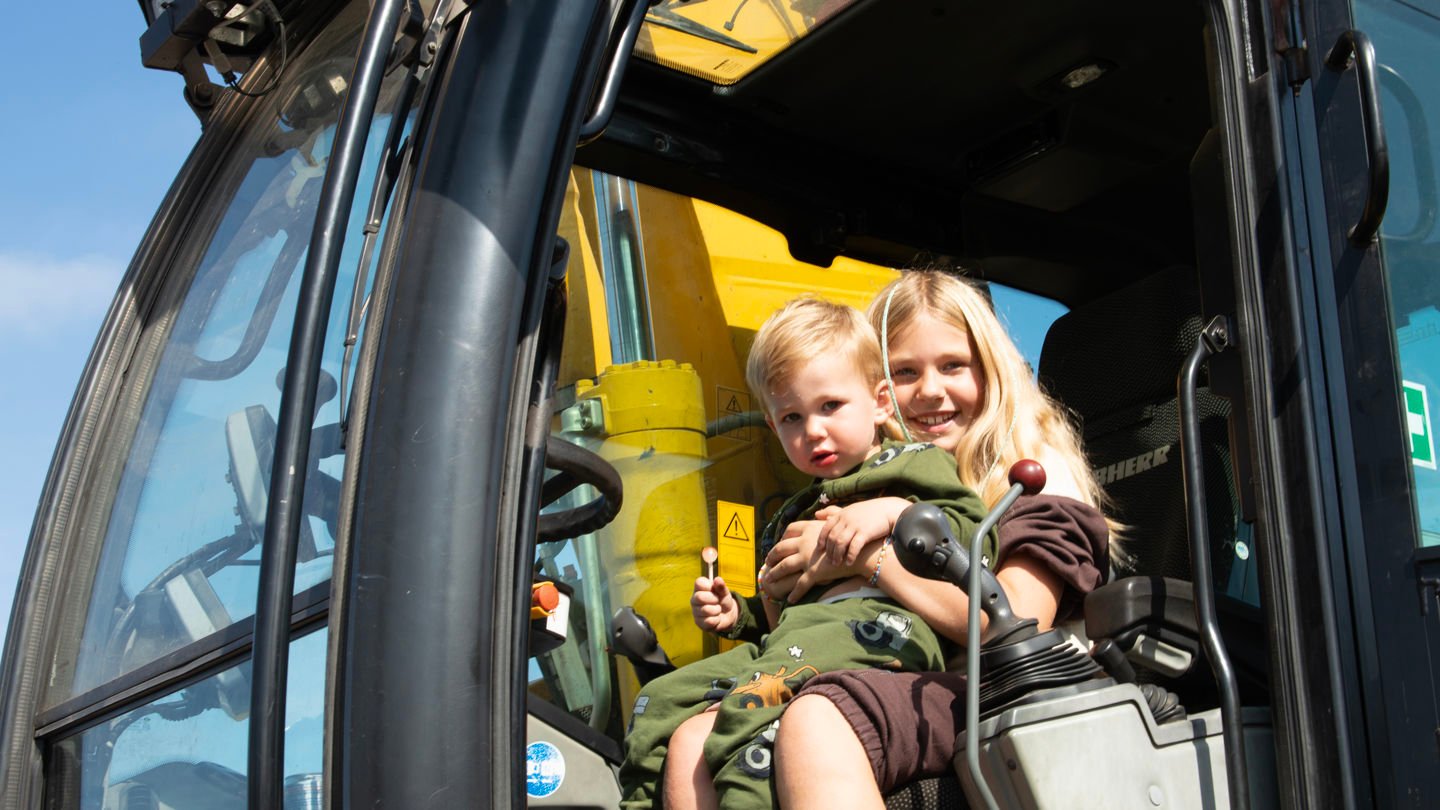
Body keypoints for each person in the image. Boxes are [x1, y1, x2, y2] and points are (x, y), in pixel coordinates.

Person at [619, 297, 994, 810]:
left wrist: (893, 513)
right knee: (665, 710)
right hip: (794, 643)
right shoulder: (793, 513)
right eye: (792, 417)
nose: (812, 430)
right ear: (774, 428)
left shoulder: (912, 465)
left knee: (745, 719)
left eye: (830, 406)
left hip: (872, 641)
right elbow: (785, 602)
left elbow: (970, 531)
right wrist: (736, 614)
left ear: (880, 403)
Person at [760, 269, 1115, 808]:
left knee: (818, 719)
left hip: (1015, 696)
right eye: (905, 371)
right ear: (875, 390)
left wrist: (864, 556)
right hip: (901, 682)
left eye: (953, 366)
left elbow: (1011, 623)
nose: (929, 390)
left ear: (990, 373)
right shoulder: (855, 492)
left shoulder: (1029, 483)